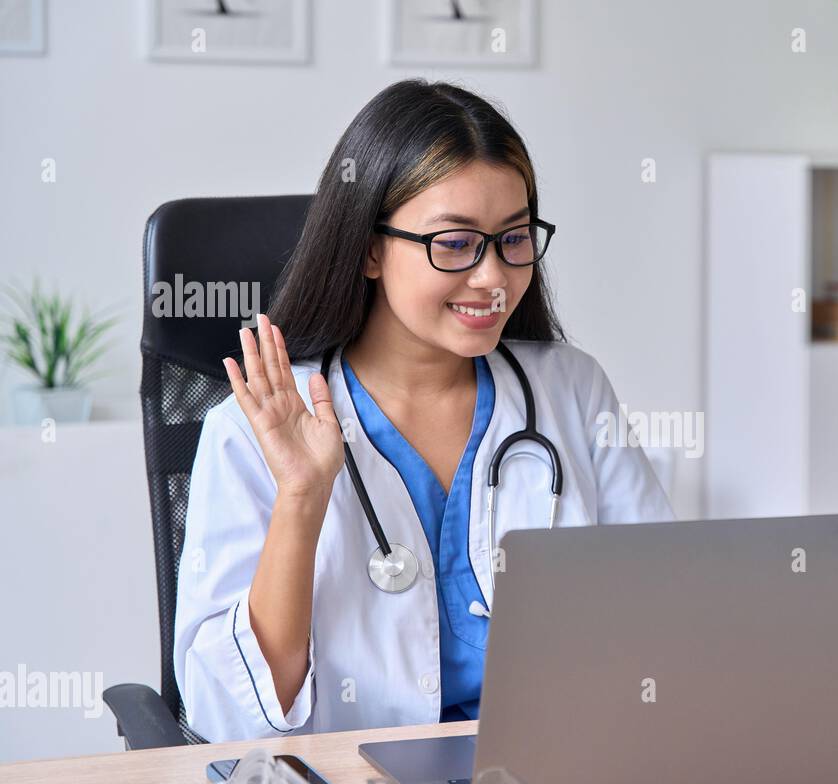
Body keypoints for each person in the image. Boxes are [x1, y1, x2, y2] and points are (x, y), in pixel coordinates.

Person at [173, 80, 674, 743]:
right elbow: (229, 718)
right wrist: (302, 495)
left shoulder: (571, 390)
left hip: (561, 769)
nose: (493, 277)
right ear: (371, 248)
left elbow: (664, 614)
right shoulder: (251, 428)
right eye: (456, 243)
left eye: (514, 237)